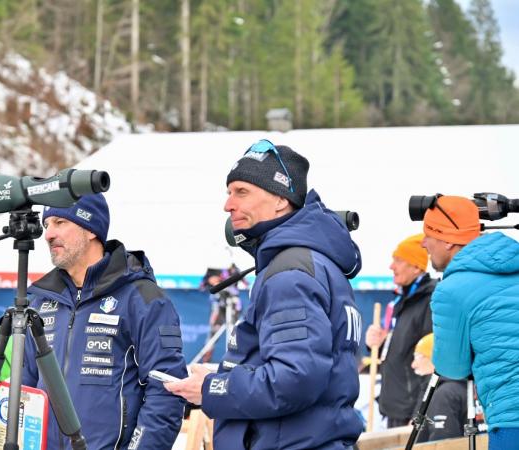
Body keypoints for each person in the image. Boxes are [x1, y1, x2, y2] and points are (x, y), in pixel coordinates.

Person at [165, 139, 364, 449]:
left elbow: (295, 380)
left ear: (281, 200)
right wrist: (222, 374)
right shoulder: (312, 262)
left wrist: (212, 387)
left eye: (242, 192)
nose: (228, 205)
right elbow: (293, 363)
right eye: (229, 193)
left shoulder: (290, 274)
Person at [21, 193, 187, 450]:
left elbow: (167, 391)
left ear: (91, 230)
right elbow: (25, 388)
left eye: (60, 223)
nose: (48, 234)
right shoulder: (39, 301)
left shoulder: (142, 298)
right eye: (46, 225)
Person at [420, 194, 519, 449]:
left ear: (449, 241)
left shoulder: (452, 290)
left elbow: (452, 367)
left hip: (512, 419)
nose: (423, 243)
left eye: (428, 235)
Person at [364, 233, 435, 428]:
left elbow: (429, 359)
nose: (391, 266)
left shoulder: (429, 301)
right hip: (393, 407)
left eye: (398, 260)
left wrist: (419, 413)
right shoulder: (403, 300)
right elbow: (404, 349)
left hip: (410, 412)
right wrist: (379, 343)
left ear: (416, 266)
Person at [410, 333, 467, 443]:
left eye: (418, 357)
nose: (413, 364)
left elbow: (443, 442)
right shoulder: (467, 386)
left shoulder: (444, 394)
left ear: (435, 358)